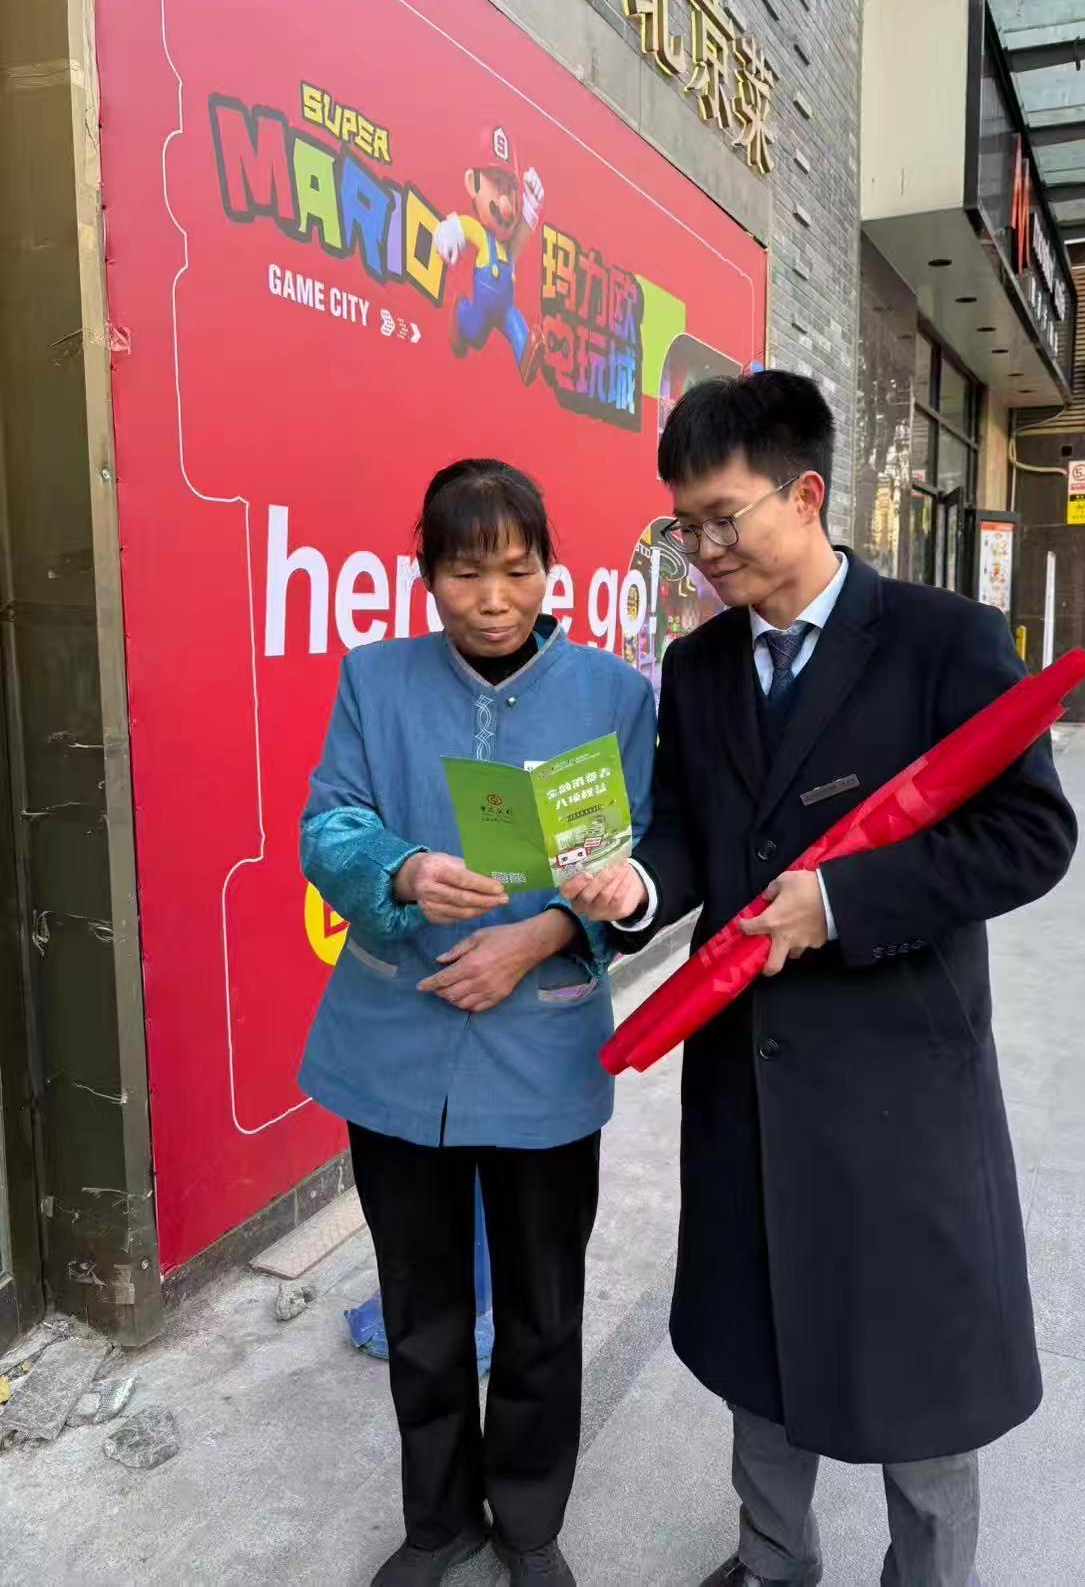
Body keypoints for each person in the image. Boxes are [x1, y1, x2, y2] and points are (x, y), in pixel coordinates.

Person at [565, 372, 1078, 1587]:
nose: (703, 552)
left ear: (804, 495)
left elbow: (1029, 834)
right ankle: (771, 1559)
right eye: (683, 527)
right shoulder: (698, 667)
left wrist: (840, 903)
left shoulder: (939, 640)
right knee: (757, 1346)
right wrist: (634, 891)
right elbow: (686, 833)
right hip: (747, 1071)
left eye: (722, 520)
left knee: (920, 1368)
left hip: (899, 1077)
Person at [298, 459, 654, 1587]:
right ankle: (438, 1519)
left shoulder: (613, 696)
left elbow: (637, 859)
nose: (493, 599)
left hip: (541, 1043)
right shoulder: (375, 680)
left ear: (550, 569)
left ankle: (530, 1524)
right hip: (396, 1043)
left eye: (517, 568)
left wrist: (541, 936)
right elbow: (329, 824)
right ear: (427, 574)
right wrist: (402, 871)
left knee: (544, 1308)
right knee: (422, 1303)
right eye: (465, 572)